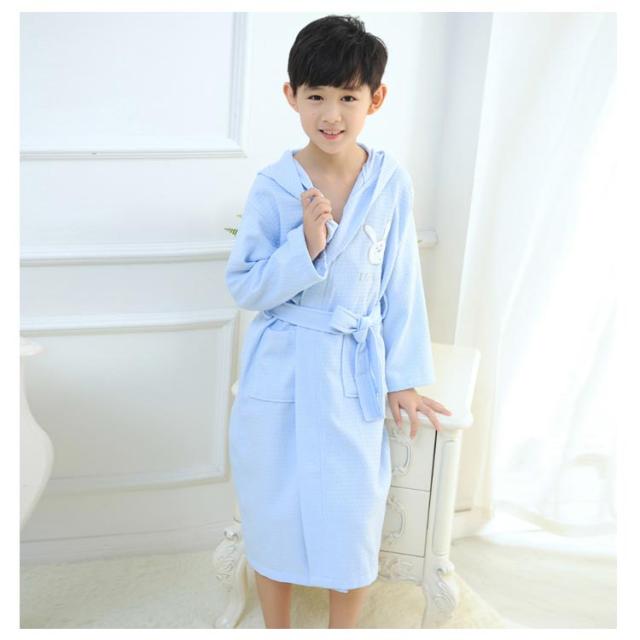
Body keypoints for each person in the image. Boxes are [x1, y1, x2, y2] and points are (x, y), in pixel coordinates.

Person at [224, 14, 452, 629]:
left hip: (352, 368)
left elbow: (402, 281)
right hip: (282, 366)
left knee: (353, 520)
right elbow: (245, 284)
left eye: (348, 97)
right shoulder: (274, 185)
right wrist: (305, 245)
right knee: (273, 510)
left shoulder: (389, 181)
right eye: (316, 96)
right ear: (291, 95)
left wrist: (402, 377)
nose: (331, 114)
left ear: (376, 99)